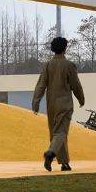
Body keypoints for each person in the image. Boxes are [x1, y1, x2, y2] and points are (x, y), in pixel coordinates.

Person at [32, 36, 85, 171]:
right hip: (65, 104)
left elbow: (41, 85)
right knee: (61, 132)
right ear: (65, 48)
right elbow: (75, 85)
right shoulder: (69, 65)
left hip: (51, 105)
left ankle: (64, 163)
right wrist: (81, 99)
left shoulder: (47, 65)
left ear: (53, 49)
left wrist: (35, 103)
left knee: (56, 133)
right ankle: (50, 153)